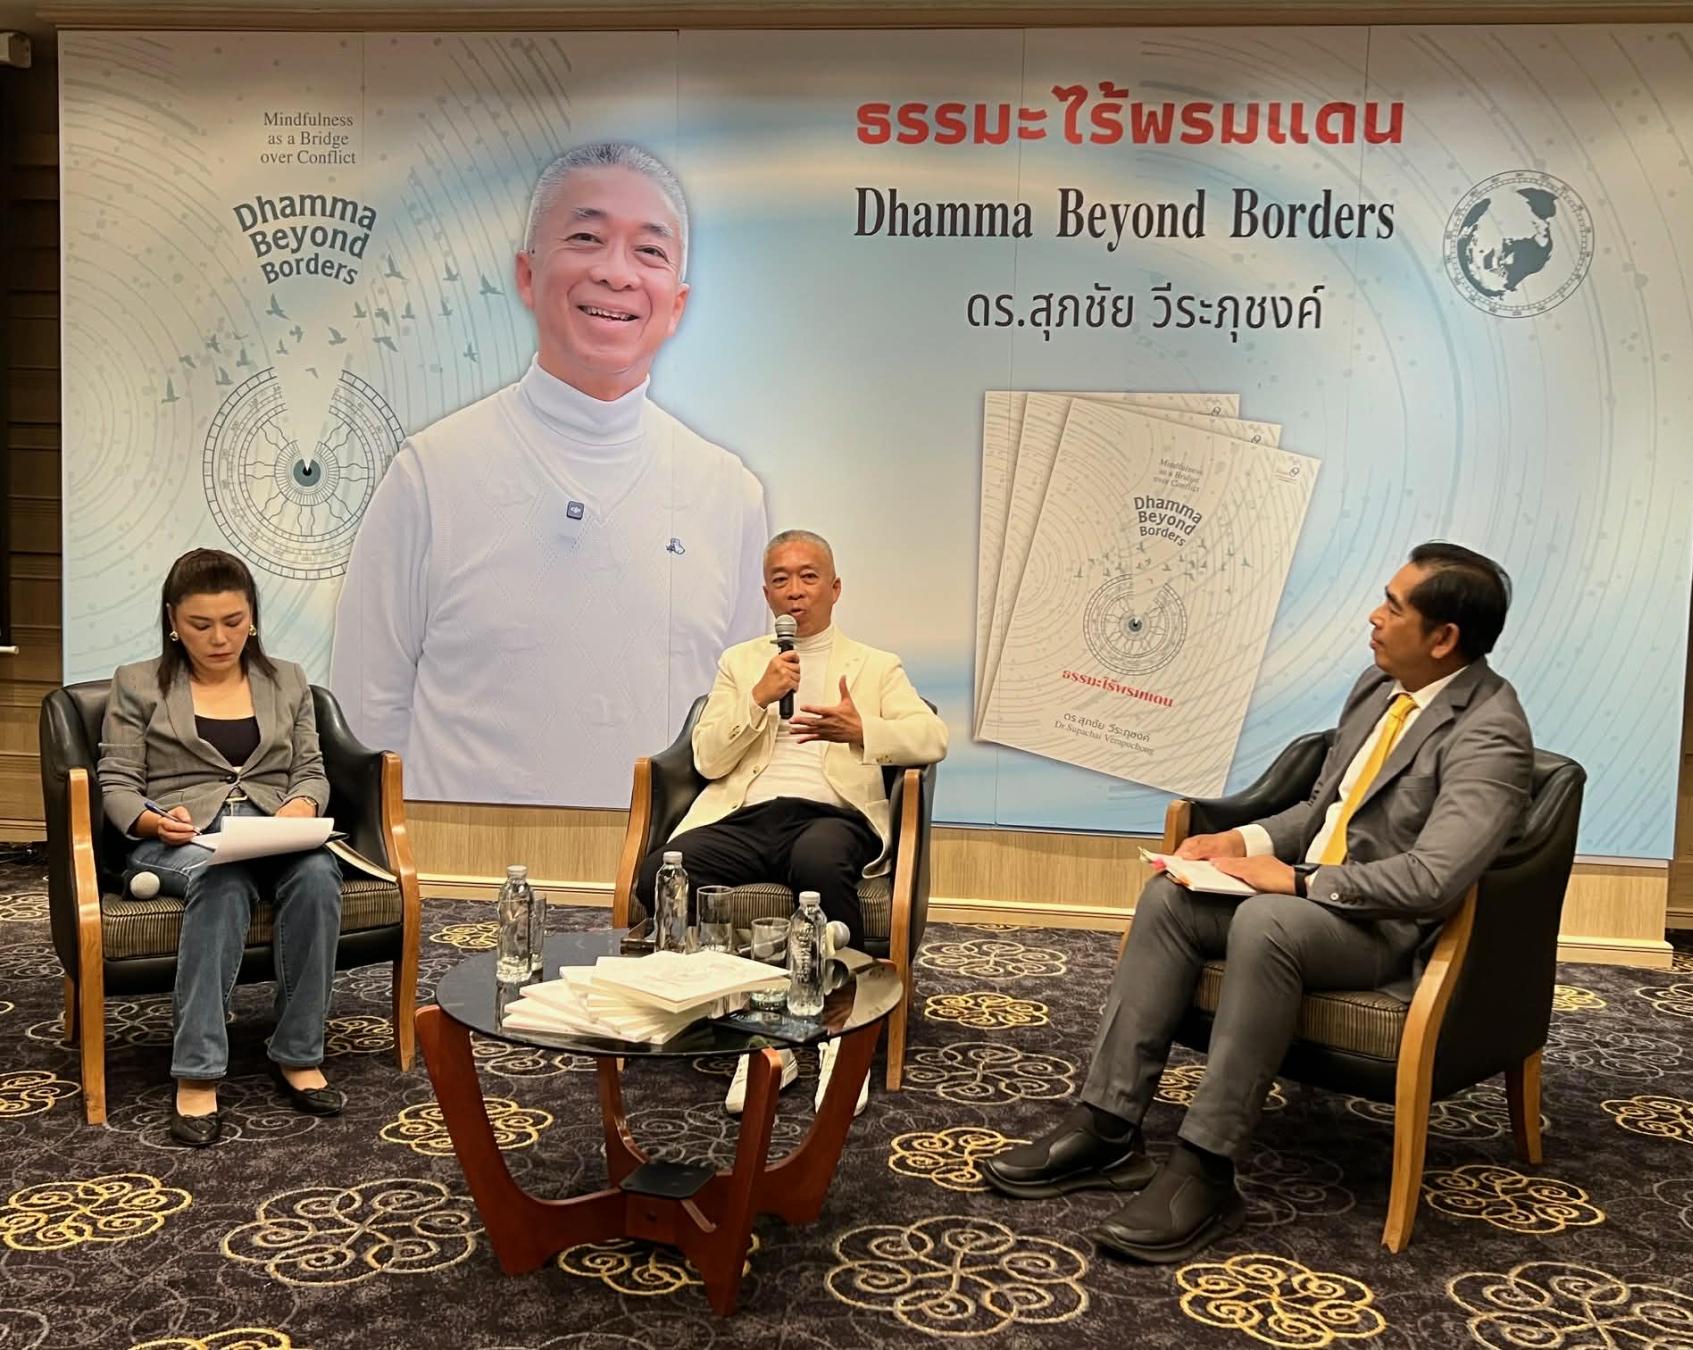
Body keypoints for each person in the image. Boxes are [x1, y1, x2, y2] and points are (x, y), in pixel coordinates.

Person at [979, 542, 1534, 1262]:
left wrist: (1301, 883)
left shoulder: (1491, 733)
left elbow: (1433, 880)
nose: (1374, 616)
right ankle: (1108, 1127)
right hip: (1313, 898)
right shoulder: (1380, 685)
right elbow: (1324, 810)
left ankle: (1207, 1169)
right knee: (1170, 897)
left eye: (1393, 607)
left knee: (1270, 921)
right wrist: (1239, 842)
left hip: (1386, 930)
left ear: (1443, 638)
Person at [331, 141, 768, 807]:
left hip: (667, 864)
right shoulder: (432, 474)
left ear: (677, 303)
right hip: (468, 868)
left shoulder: (728, 494)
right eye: (587, 238)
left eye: (649, 250)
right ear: (527, 274)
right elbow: (365, 720)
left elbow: (746, 724)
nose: (616, 273)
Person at [639, 529, 948, 1116]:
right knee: (661, 873)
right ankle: (759, 1033)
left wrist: (862, 730)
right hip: (750, 815)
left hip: (833, 815)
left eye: (808, 577)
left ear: (835, 588)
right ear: (767, 594)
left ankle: (838, 1035)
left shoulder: (875, 666)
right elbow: (708, 761)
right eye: (780, 580)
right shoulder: (741, 663)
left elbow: (932, 738)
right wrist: (757, 698)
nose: (795, 591)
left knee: (817, 863)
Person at [98, 549, 346, 1148]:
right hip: (181, 839)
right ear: (173, 621)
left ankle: (299, 1052)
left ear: (252, 616)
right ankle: (198, 1069)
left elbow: (311, 769)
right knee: (220, 877)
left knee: (317, 874)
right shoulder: (137, 683)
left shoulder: (287, 680)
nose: (219, 638)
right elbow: (117, 783)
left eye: (233, 622)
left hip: (271, 830)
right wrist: (155, 820)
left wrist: (302, 804)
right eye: (201, 624)